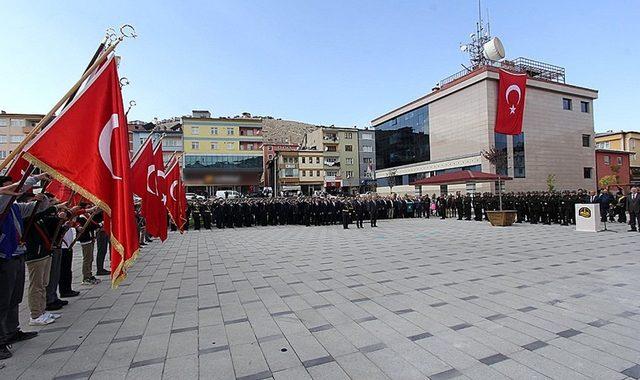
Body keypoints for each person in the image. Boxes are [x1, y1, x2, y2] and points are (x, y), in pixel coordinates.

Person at [0, 173, 50, 359]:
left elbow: (36, 208)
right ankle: (1, 340)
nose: (13, 190)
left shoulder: (14, 208)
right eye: (9, 187)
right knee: (3, 301)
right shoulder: (1, 205)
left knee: (14, 297)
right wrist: (37, 177)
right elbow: (15, 189)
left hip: (18, 255)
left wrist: (42, 198)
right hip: (4, 257)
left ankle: (13, 330)